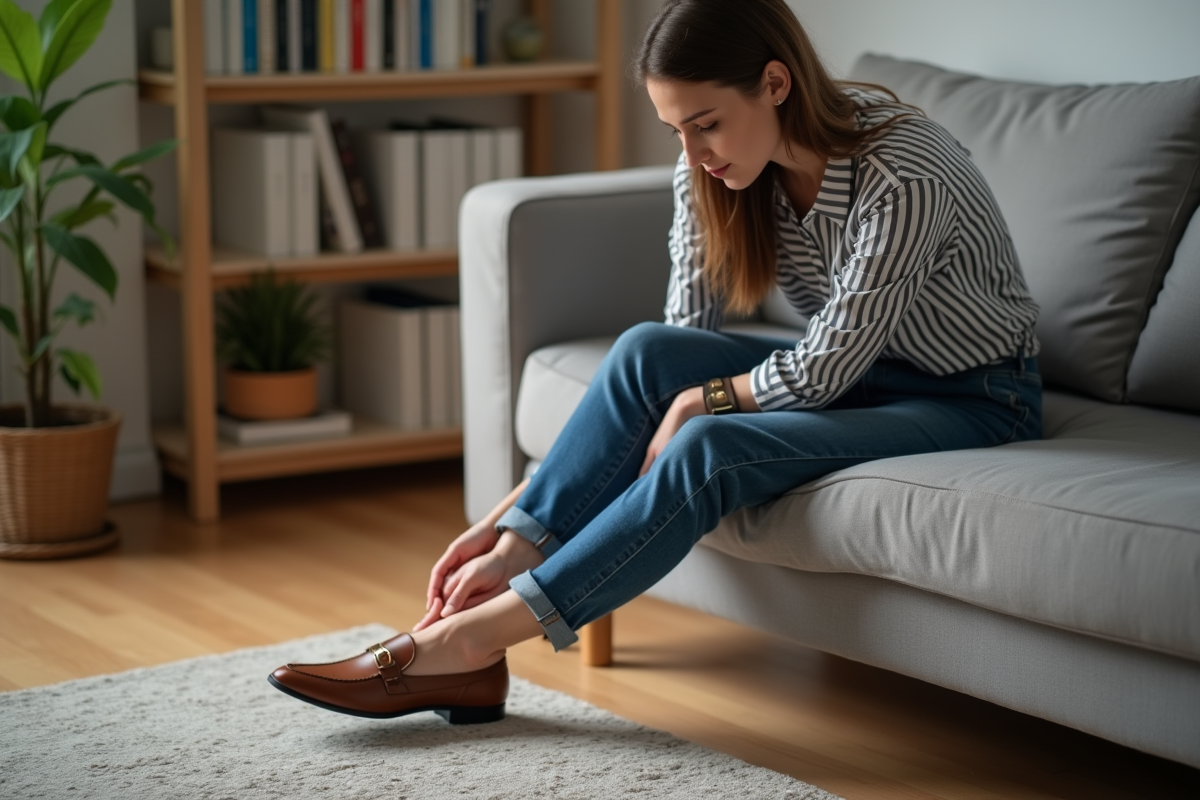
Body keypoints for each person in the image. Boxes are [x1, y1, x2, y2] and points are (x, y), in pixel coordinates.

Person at [268, 0, 1042, 723]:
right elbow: (678, 345)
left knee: (710, 442)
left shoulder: (901, 170)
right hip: (851, 370)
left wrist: (703, 400)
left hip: (970, 393)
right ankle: (509, 569)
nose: (693, 152)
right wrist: (512, 518)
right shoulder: (709, 167)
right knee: (644, 351)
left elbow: (824, 370)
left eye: (705, 124)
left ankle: (471, 644)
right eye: (676, 129)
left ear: (775, 83)